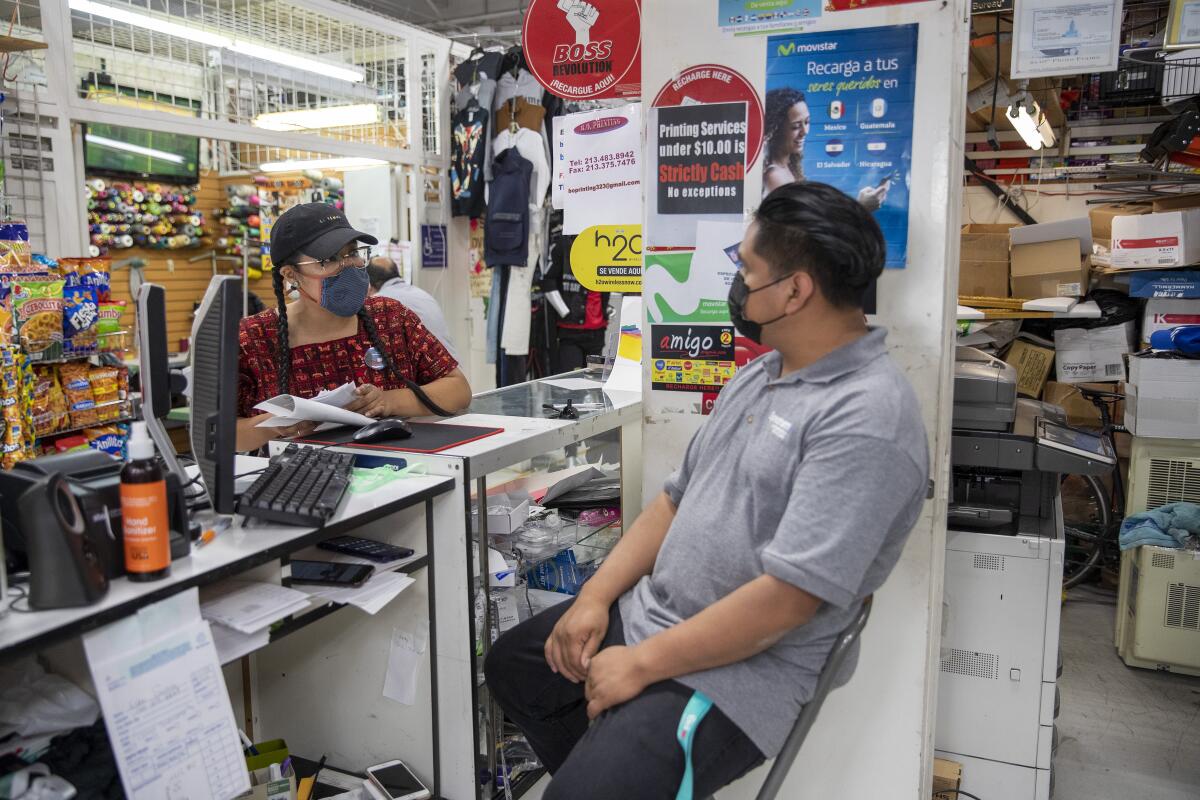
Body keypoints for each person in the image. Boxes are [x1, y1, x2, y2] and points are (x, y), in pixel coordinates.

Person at [485, 182, 929, 799]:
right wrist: (594, 597)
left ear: (795, 290)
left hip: (741, 672)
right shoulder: (762, 374)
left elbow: (787, 602)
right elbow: (673, 499)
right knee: (515, 667)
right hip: (653, 619)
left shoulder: (867, 419)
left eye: (747, 269)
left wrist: (640, 665)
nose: (739, 285)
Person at [236, 204, 472, 452]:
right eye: (330, 259)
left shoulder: (389, 317)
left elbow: (458, 390)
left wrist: (388, 401)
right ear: (291, 275)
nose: (349, 265)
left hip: (397, 474)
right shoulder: (253, 338)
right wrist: (273, 426)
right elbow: (222, 434)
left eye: (352, 253)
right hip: (301, 483)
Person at [762, 87, 889, 210]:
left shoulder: (789, 166)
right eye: (796, 126)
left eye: (807, 122)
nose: (805, 131)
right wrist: (861, 207)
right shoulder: (775, 176)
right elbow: (805, 227)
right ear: (775, 129)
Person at [366, 257, 459, 362]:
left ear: (369, 282)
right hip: (454, 367)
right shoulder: (422, 294)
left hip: (432, 372)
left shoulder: (379, 302)